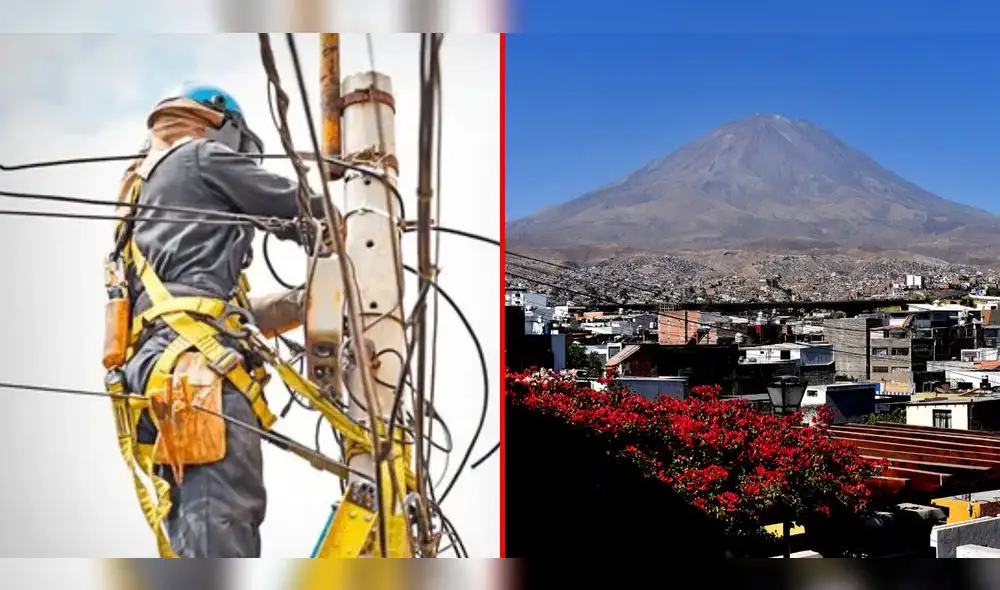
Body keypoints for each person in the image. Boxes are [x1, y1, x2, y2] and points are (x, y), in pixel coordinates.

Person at [108, 83, 315, 557]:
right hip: (193, 370)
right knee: (220, 511)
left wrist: (302, 302)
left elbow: (205, 305)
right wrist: (362, 233)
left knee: (200, 516)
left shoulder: (143, 201)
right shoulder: (198, 155)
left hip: (162, 365)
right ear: (223, 130)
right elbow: (300, 209)